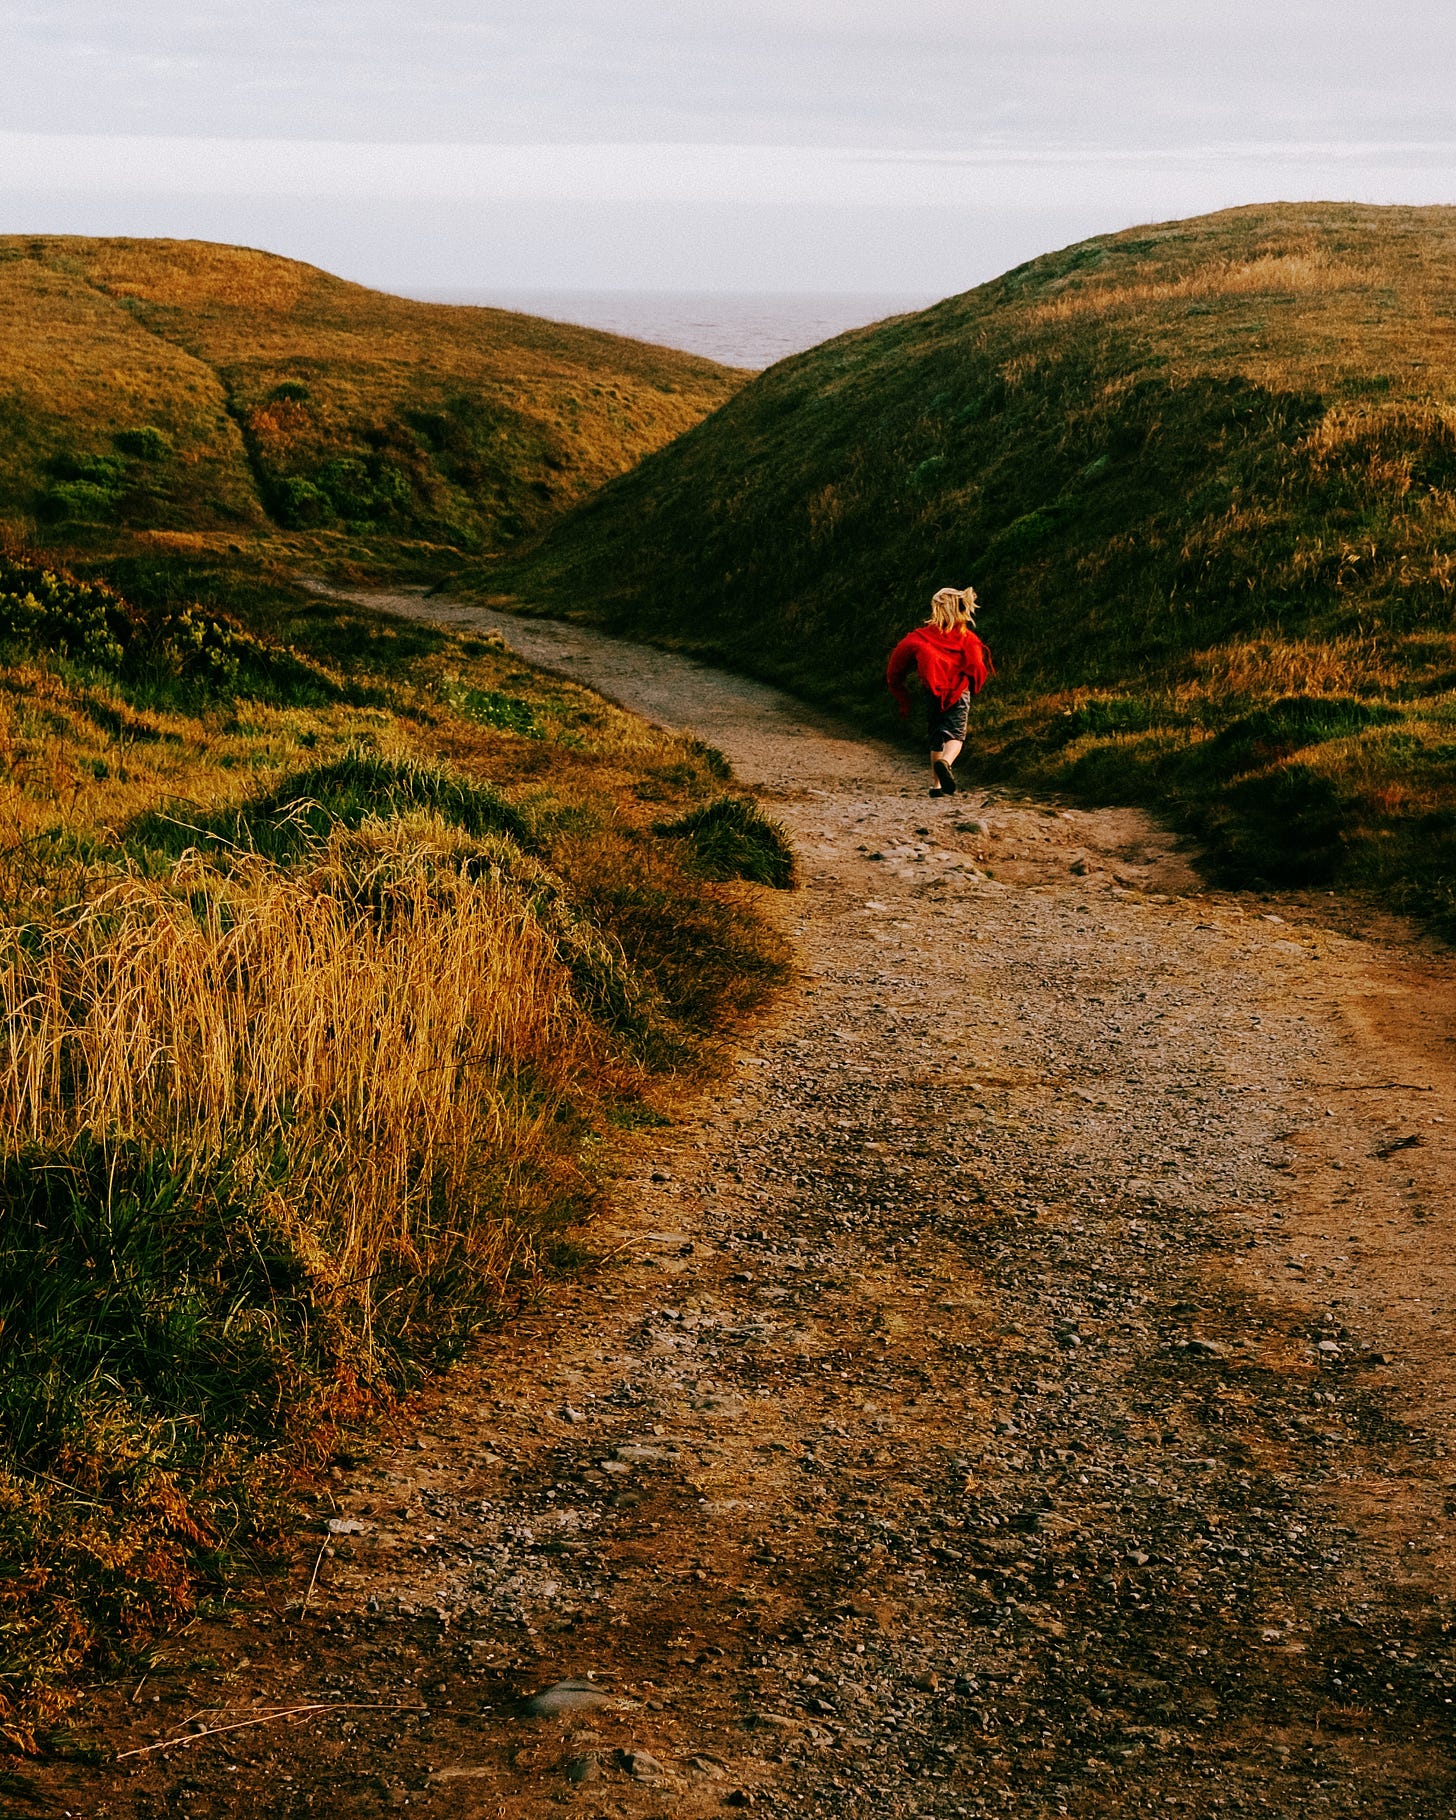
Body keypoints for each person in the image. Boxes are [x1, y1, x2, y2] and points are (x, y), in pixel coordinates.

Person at [885, 585, 993, 796]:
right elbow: (977, 667)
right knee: (955, 736)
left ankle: (936, 786)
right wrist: (975, 684)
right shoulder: (967, 638)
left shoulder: (920, 637)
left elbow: (896, 664)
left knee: (936, 737)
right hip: (959, 693)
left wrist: (898, 689)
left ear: (936, 609)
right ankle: (946, 762)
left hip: (932, 693)